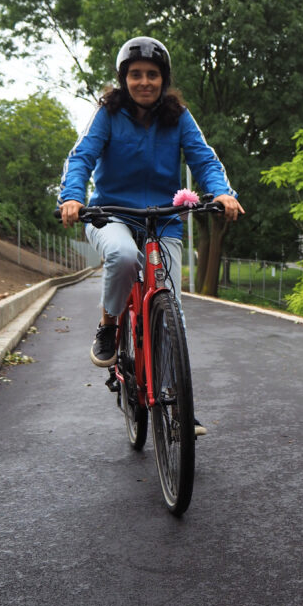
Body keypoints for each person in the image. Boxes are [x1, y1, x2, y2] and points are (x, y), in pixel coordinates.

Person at [58, 36, 243, 436]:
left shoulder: (178, 117)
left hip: (163, 220)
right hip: (110, 215)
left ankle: (178, 402)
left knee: (170, 311)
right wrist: (73, 198)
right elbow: (82, 157)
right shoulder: (107, 113)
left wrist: (223, 193)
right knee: (123, 257)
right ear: (124, 79)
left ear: (164, 80)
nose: (145, 82)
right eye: (136, 75)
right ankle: (109, 324)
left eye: (153, 75)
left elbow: (204, 158)